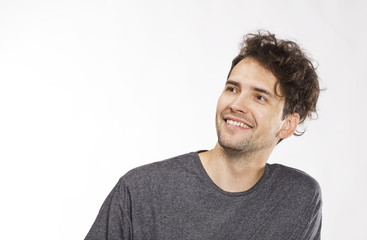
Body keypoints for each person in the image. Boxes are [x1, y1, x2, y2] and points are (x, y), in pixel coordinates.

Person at [85, 30, 322, 240]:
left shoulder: (297, 198)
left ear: (288, 125)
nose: (237, 104)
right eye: (232, 89)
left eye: (260, 97)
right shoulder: (140, 191)